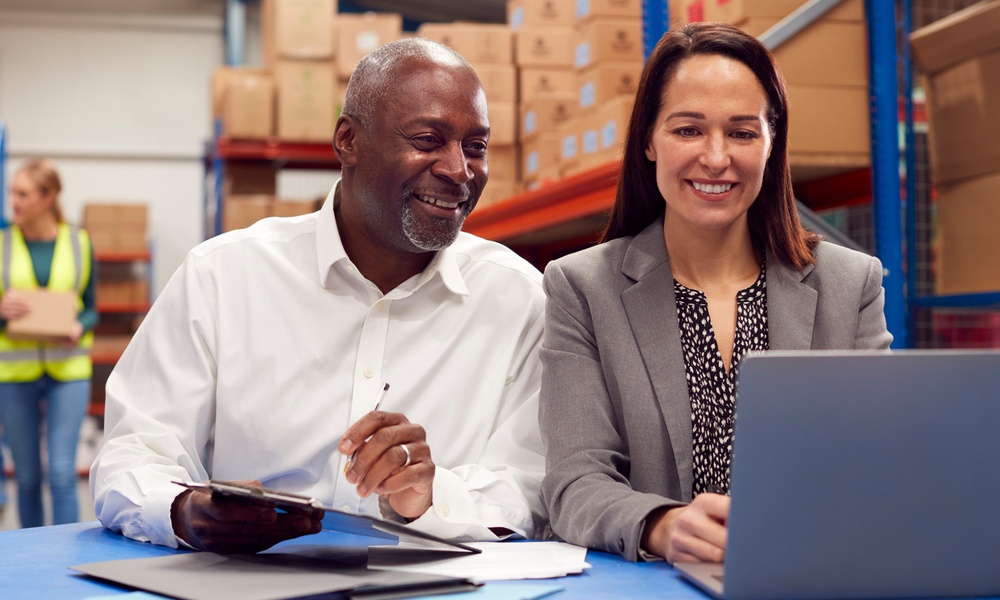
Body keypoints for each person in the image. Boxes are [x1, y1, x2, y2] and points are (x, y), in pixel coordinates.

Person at [90, 38, 547, 553]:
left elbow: (531, 486)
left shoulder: (519, 300)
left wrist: (429, 495)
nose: (458, 170)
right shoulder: (222, 277)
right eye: (427, 139)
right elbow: (131, 453)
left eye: (475, 147)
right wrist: (183, 509)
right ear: (348, 140)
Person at [539, 22, 893, 564]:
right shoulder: (583, 288)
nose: (716, 157)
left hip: (809, 573)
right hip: (657, 586)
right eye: (688, 130)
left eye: (743, 132)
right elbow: (574, 483)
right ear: (648, 142)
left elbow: (879, 461)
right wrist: (662, 525)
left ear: (772, 146)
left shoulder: (851, 283)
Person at [0, 158, 97, 528]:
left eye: (23, 194)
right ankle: (31, 562)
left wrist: (78, 325)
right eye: (13, 193)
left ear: (48, 196)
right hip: (14, 372)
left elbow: (91, 308)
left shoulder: (79, 242)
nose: (14, 202)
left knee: (60, 473)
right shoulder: (2, 242)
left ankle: (63, 562)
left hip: (67, 369)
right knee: (26, 479)